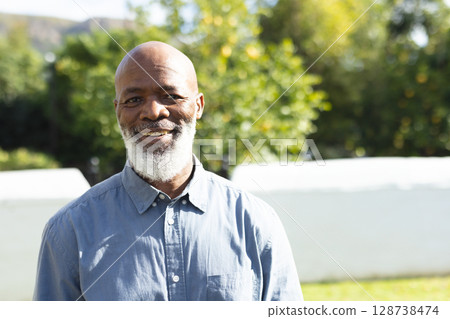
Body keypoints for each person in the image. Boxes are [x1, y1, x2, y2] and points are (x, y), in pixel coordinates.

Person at [33, 41, 302, 301]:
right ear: (118, 111)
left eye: (170, 96)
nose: (152, 111)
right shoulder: (70, 230)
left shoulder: (254, 221)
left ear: (198, 106)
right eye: (134, 99)